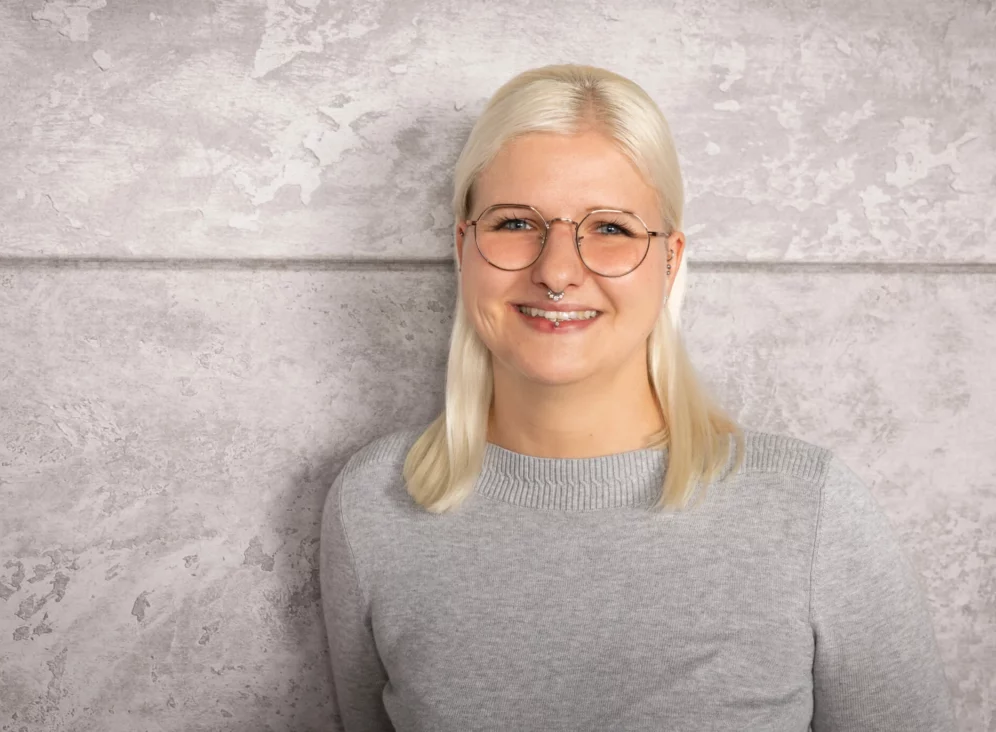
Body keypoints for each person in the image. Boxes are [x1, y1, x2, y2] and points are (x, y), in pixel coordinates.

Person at [319, 64, 956, 731]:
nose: (558, 271)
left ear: (671, 261)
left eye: (612, 229)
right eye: (514, 223)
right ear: (463, 248)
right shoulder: (372, 508)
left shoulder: (812, 513)